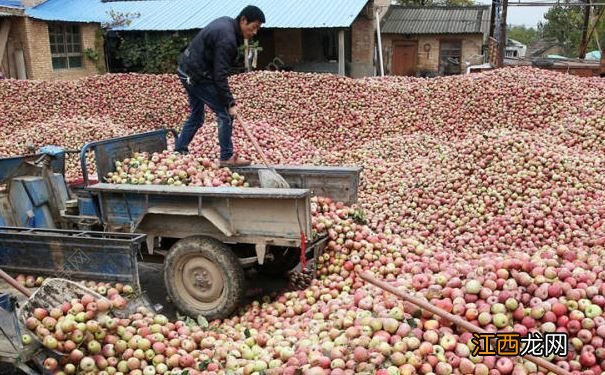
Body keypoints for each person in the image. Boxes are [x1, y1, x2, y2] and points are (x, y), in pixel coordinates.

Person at [175, 5, 265, 167]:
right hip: (195, 75)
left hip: (186, 69)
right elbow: (220, 76)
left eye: (257, 29)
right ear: (243, 20)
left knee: (197, 115)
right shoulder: (227, 39)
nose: (254, 32)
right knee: (224, 114)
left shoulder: (228, 24)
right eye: (254, 27)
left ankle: (179, 150)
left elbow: (216, 70)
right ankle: (226, 156)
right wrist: (230, 103)